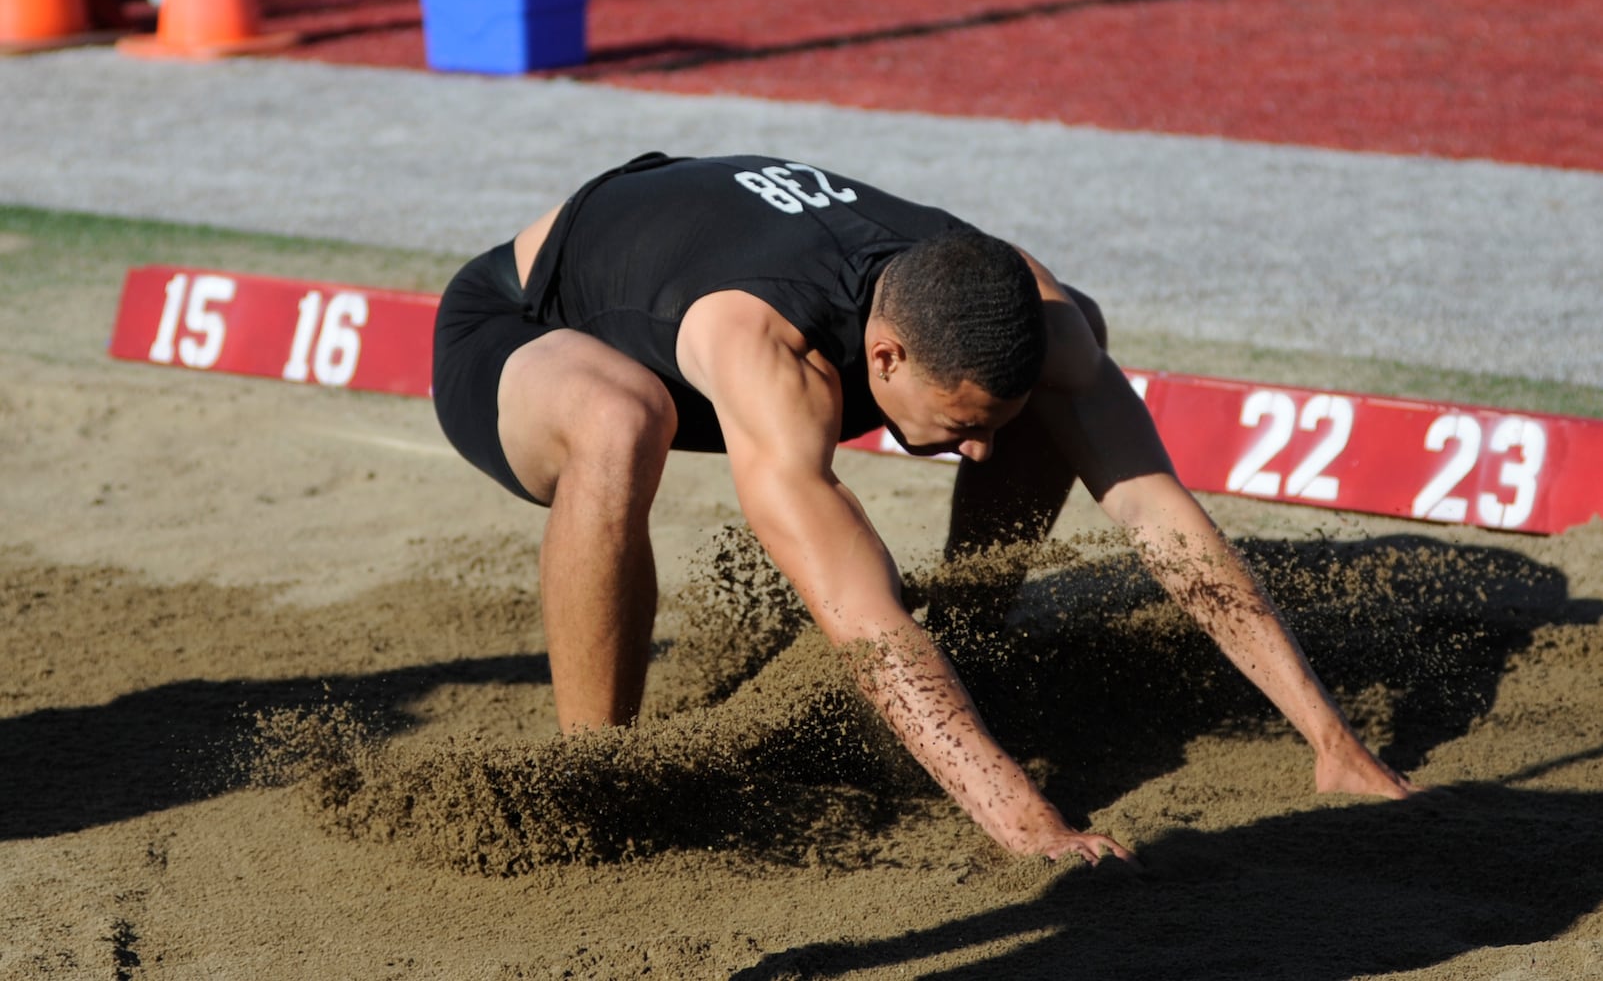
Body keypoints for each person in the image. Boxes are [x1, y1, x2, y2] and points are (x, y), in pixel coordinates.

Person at [432, 152, 1415, 866]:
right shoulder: (768, 352)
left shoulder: (1029, 304)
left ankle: (976, 640)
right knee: (619, 415)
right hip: (522, 325)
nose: (981, 453)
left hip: (720, 273)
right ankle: (593, 779)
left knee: (1060, 386)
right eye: (960, 425)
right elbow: (867, 627)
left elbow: (1160, 511)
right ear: (888, 360)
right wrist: (1030, 825)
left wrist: (1332, 741)